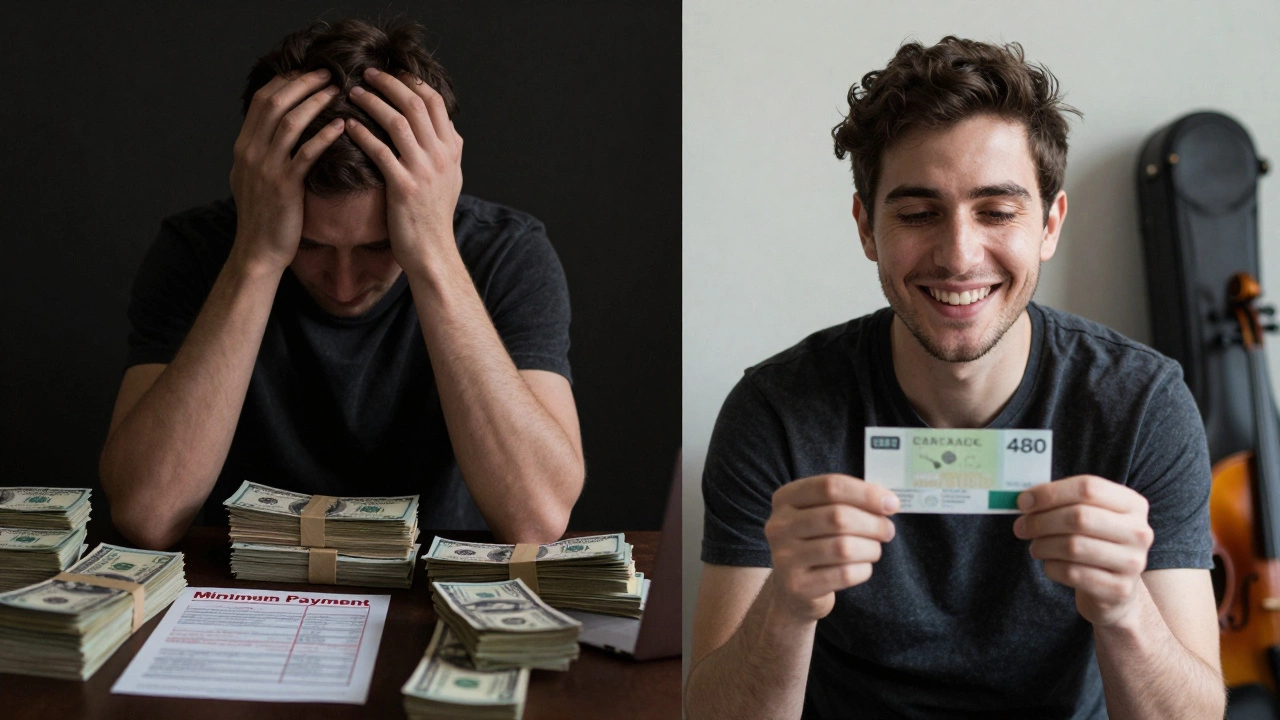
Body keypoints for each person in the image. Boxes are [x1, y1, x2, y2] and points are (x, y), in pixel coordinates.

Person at [685, 37, 1224, 719]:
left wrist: (1125, 610)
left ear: (1050, 225)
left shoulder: (1141, 404)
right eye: (916, 214)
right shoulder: (776, 411)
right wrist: (786, 607)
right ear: (867, 228)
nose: (959, 255)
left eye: (997, 212)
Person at [99, 18, 584, 549]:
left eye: (381, 246)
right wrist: (258, 258)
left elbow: (536, 519)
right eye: (308, 245)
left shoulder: (507, 253)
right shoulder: (196, 251)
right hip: (246, 590)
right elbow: (148, 514)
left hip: (431, 591)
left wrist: (433, 255)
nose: (345, 282)